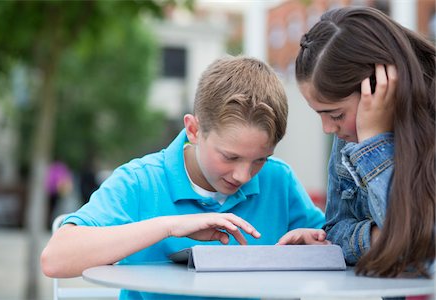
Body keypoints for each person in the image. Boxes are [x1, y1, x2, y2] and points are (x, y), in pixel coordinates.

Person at [41, 55, 328, 299]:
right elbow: (55, 259)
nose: (243, 175)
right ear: (193, 130)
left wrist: (318, 246)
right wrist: (170, 226)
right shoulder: (140, 182)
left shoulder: (279, 180)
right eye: (230, 157)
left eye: (260, 159)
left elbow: (337, 252)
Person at [294, 6, 435, 278]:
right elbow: (336, 231)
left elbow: (425, 256)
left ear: (379, 86)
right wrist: (389, 240)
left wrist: (374, 144)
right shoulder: (350, 136)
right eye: (319, 115)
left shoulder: (364, 134)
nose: (327, 128)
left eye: (335, 114)